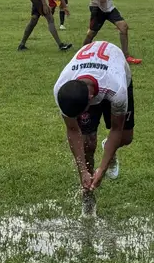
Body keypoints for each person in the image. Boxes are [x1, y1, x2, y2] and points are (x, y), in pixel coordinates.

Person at [53, 41, 135, 215]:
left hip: (113, 70)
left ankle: (109, 150)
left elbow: (116, 129)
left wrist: (103, 168)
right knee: (87, 143)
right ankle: (88, 199)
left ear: (91, 99)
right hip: (90, 74)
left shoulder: (117, 89)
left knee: (125, 138)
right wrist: (83, 169)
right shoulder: (61, 87)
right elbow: (73, 130)